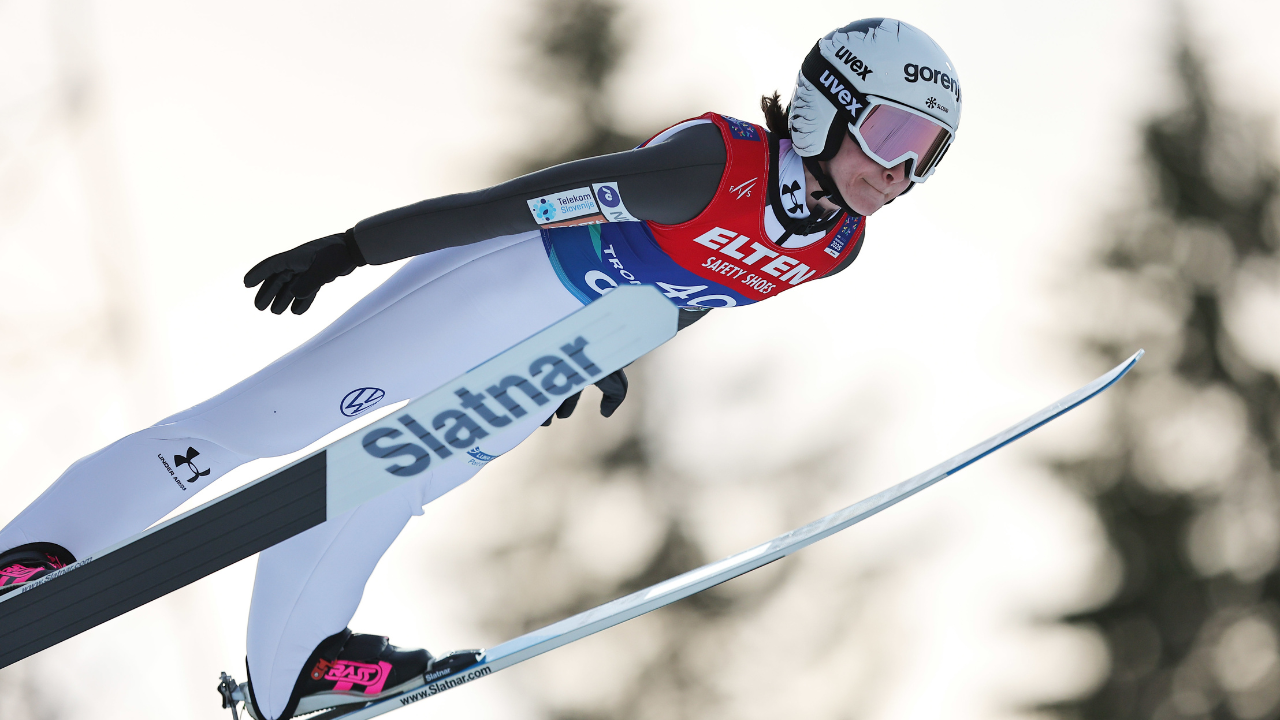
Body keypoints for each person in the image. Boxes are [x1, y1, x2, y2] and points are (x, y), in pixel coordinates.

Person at [0, 17, 961, 720]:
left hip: (551, 351)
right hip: (492, 285)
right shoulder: (712, 165)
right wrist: (354, 247)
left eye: (927, 157)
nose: (900, 174)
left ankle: (291, 670)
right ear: (824, 105)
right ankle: (37, 554)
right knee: (264, 423)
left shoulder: (834, 246)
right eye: (892, 138)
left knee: (381, 483)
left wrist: (611, 354)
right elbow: (514, 205)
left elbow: (696, 288)